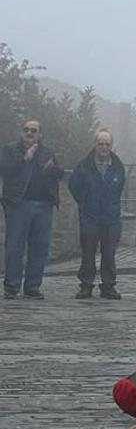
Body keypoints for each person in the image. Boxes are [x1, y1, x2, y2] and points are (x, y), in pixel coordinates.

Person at [0, 118, 64, 300]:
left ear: (40, 134)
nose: (29, 133)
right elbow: (4, 170)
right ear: (21, 132)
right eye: (26, 130)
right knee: (15, 247)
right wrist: (24, 158)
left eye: (34, 130)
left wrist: (53, 169)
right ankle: (11, 287)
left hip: (43, 205)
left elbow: (58, 173)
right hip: (18, 204)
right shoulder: (10, 150)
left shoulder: (47, 152)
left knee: (40, 247)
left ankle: (32, 287)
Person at [68, 130, 126, 300]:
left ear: (111, 146)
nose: (104, 147)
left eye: (107, 144)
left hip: (111, 217)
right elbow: (74, 186)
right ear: (95, 144)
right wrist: (85, 202)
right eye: (100, 143)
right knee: (88, 252)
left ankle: (108, 286)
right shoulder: (84, 166)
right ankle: (86, 285)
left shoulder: (117, 165)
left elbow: (119, 187)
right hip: (90, 216)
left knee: (109, 253)